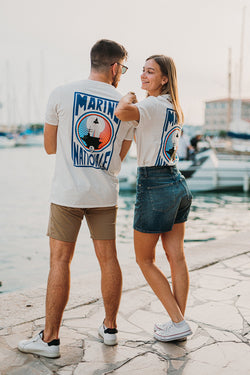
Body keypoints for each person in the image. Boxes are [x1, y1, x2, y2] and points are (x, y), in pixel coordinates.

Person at [18, 39, 134, 358]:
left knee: (59, 261)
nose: (121, 73)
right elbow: (120, 156)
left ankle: (51, 338)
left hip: (67, 193)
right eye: (122, 68)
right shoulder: (126, 104)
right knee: (108, 258)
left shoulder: (61, 92)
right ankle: (110, 329)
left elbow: (50, 146)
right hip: (104, 194)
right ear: (114, 67)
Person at [114, 55, 193, 342]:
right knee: (177, 258)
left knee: (144, 259)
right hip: (177, 183)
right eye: (142, 71)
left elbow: (122, 112)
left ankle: (178, 322)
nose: (144, 76)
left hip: (155, 185)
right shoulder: (173, 107)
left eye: (151, 72)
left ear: (164, 79)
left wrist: (129, 95)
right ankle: (178, 322)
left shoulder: (150, 104)